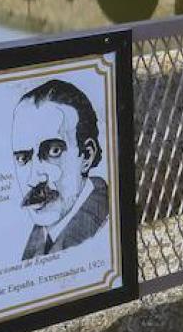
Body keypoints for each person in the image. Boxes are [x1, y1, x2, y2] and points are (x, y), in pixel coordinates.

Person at [9, 78, 109, 260]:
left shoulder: (105, 226)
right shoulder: (41, 236)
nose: (34, 178)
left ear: (87, 156)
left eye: (54, 151)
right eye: (23, 158)